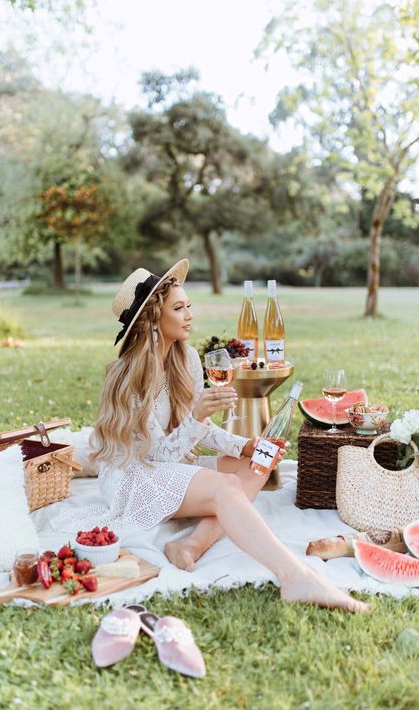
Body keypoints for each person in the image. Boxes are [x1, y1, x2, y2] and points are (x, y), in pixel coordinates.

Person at [90, 259, 369, 612]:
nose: (189, 314)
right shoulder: (129, 377)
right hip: (134, 475)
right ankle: (295, 577)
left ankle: (191, 545)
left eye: (188, 305)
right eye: (178, 308)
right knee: (226, 487)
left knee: (261, 462)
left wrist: (247, 445)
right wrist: (196, 417)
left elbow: (200, 431)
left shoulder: (186, 358)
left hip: (169, 466)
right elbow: (159, 455)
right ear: (152, 320)